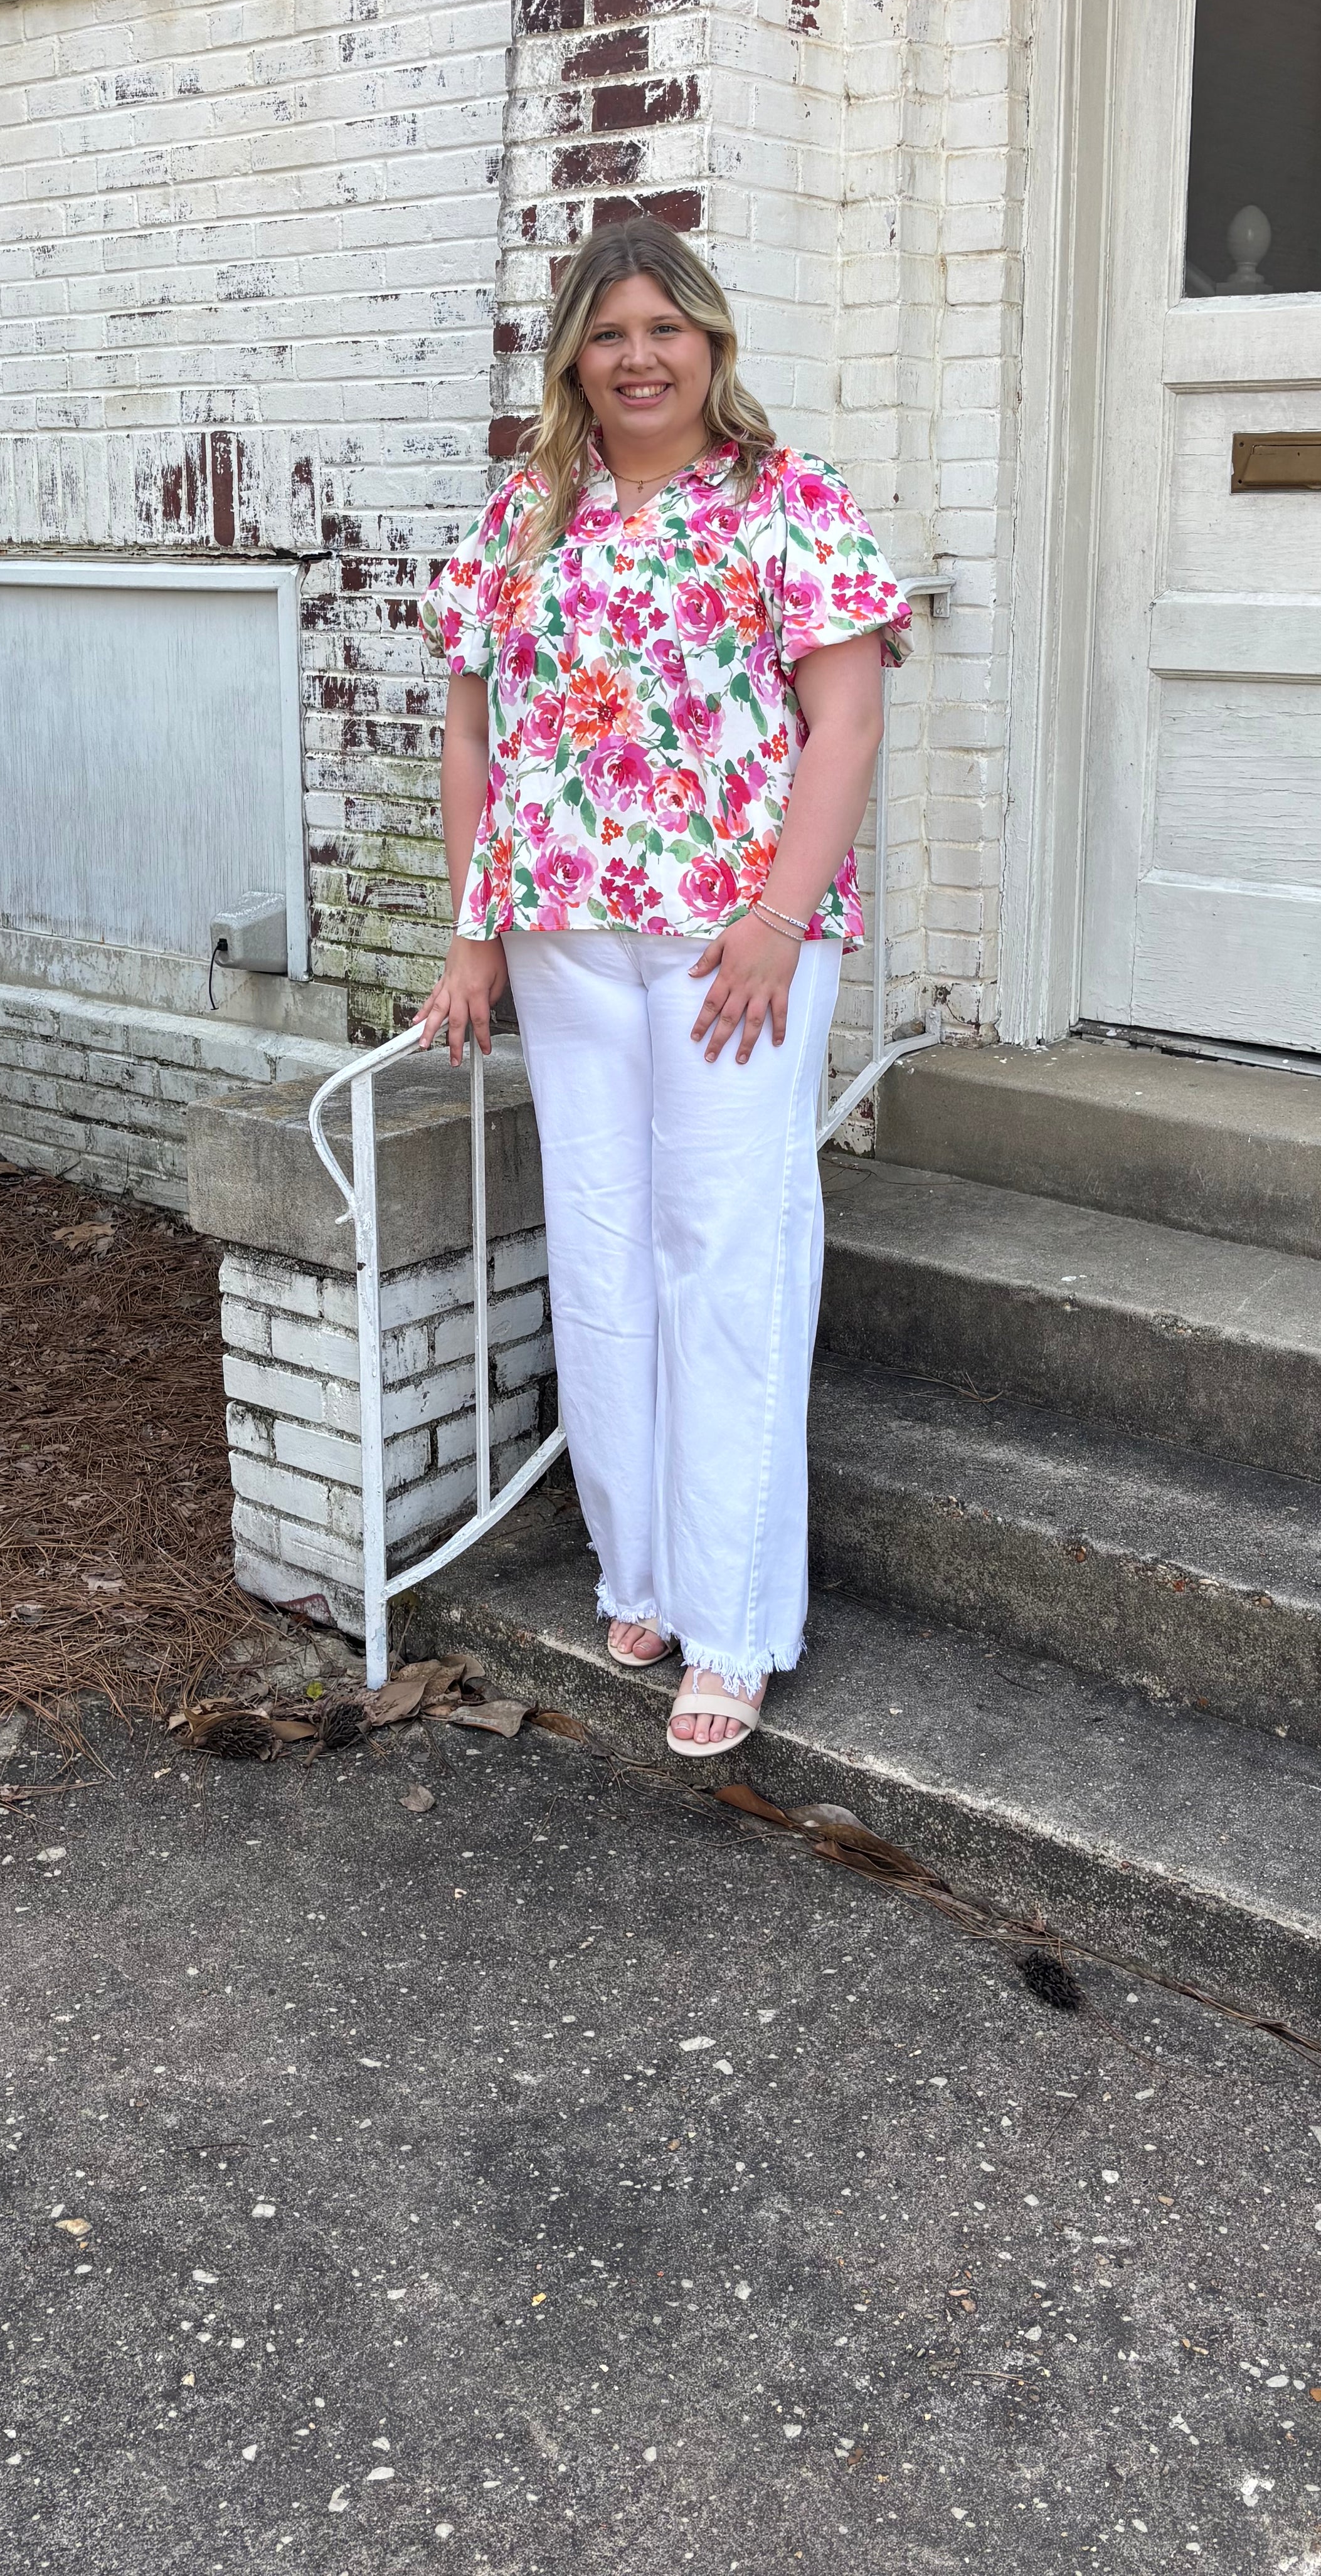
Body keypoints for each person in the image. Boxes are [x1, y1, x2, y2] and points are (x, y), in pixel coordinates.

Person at [416, 218, 911, 1758]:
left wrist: (778, 916)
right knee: (603, 1247)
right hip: (563, 933)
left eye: (665, 328)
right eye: (610, 331)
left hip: (734, 947)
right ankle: (639, 1569)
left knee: (727, 1252)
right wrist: (474, 931)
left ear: (711, 342)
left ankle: (736, 1622)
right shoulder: (527, 515)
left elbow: (846, 725)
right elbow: (472, 736)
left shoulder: (785, 500)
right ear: (574, 354)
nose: (639, 357)